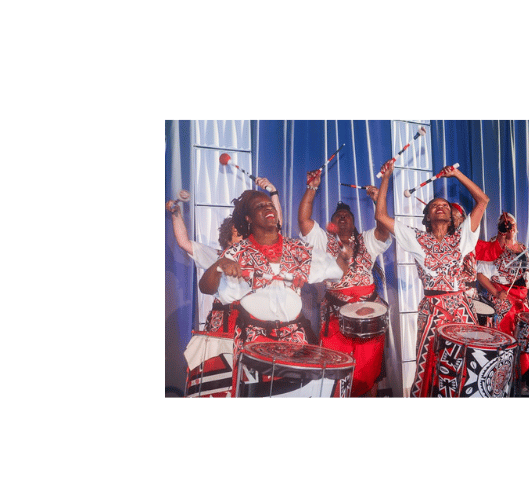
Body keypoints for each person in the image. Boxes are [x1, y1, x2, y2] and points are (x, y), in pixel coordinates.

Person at [199, 189, 351, 395]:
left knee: (296, 395)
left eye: (269, 205)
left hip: (295, 338)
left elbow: (336, 271)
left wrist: (344, 255)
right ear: (248, 218)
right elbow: (206, 287)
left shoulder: (299, 249)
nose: (268, 208)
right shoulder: (237, 253)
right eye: (259, 207)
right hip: (253, 340)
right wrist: (219, 264)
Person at [374, 158, 489, 398]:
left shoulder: (462, 238)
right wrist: (386, 178)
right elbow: (382, 217)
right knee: (430, 364)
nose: (441, 207)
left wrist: (457, 175)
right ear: (426, 216)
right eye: (435, 205)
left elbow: (483, 200)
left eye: (445, 205)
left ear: (451, 215)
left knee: (466, 363)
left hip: (460, 309)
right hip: (432, 310)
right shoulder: (416, 238)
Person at [298, 168, 392, 398]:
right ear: (331, 224)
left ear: (353, 221)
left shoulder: (366, 240)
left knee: (369, 371)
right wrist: (312, 187)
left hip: (370, 313)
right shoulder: (323, 240)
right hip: (335, 315)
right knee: (335, 369)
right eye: (337, 216)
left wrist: (378, 199)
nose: (342, 217)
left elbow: (383, 227)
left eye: (347, 215)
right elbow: (304, 220)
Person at [167, 177, 282, 333]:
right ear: (228, 238)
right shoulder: (218, 256)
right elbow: (183, 242)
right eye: (238, 234)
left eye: (245, 234)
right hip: (225, 323)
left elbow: (275, 228)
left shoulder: (257, 255)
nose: (244, 238)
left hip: (253, 323)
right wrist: (176, 213)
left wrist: (273, 192)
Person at [476, 211, 529, 396]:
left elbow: (528, 278)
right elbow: (481, 275)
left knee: (523, 345)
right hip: (502, 302)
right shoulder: (493, 246)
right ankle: (500, 386)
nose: (510, 227)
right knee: (504, 344)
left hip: (521, 303)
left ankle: (520, 384)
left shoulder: (522, 248)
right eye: (506, 224)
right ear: (500, 228)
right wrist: (496, 292)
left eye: (513, 224)